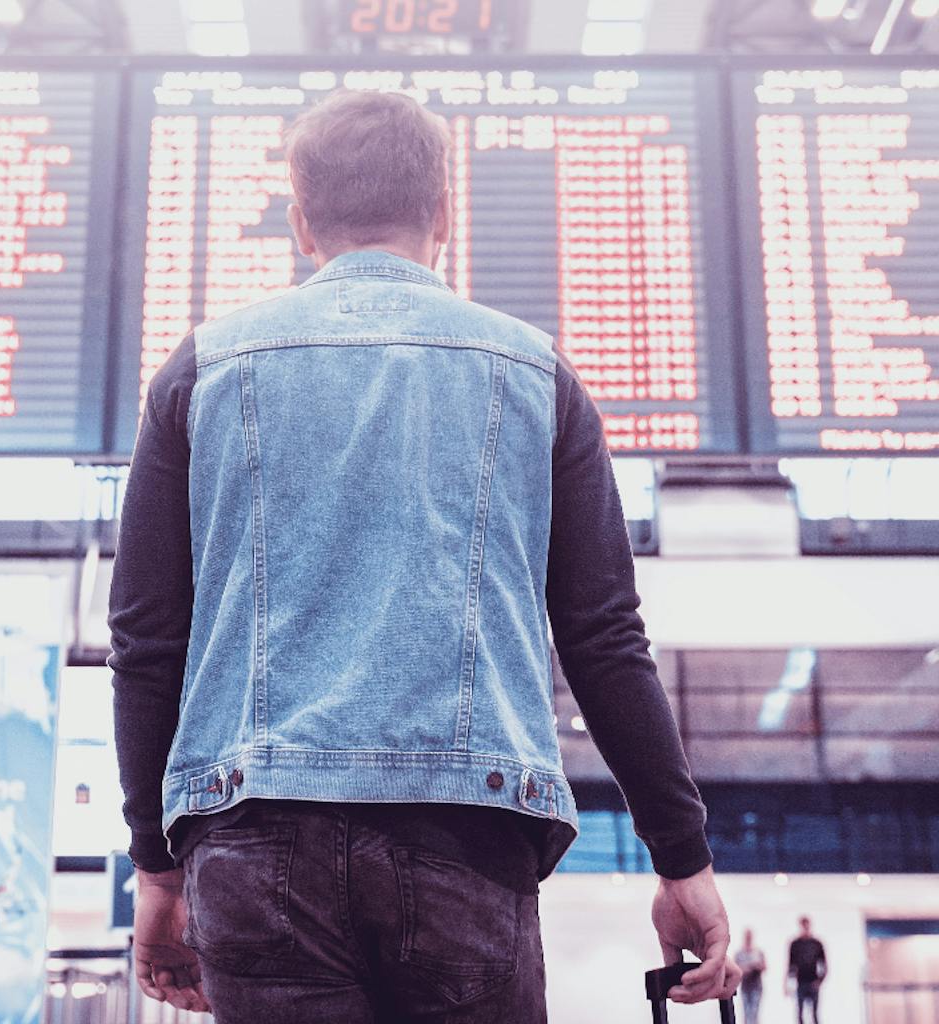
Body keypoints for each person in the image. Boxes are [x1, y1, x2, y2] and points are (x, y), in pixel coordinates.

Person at [109, 88, 741, 1022]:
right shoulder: (539, 376)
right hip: (468, 832)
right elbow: (605, 639)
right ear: (445, 213)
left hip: (253, 835)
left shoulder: (200, 372)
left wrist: (157, 869)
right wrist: (681, 857)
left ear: (300, 221)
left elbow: (146, 644)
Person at [788, 916, 827, 1024]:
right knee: (800, 1013)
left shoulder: (817, 944)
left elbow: (824, 964)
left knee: (814, 1013)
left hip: (813, 982)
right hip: (800, 982)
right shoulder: (795, 944)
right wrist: (789, 984)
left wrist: (820, 981)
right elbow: (791, 965)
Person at [735, 929, 766, 1024]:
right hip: (745, 987)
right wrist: (746, 968)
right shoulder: (739, 953)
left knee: (754, 1014)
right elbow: (735, 969)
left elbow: (764, 966)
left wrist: (756, 966)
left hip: (757, 986)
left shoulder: (758, 952)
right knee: (746, 1013)